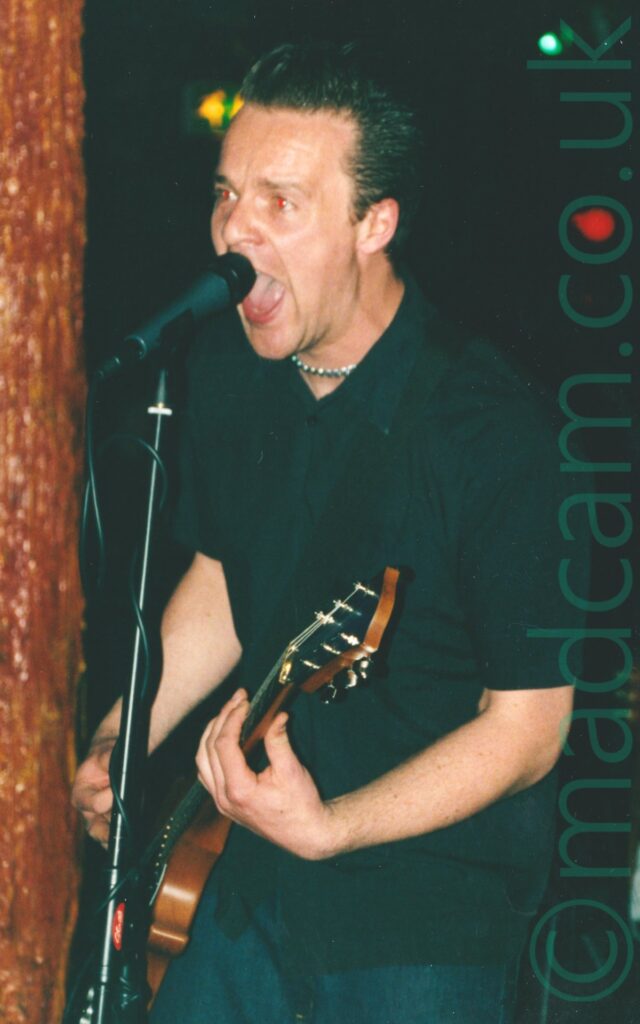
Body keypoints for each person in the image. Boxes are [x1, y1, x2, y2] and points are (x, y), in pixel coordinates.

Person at [72, 41, 589, 1023]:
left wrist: (333, 827)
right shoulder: (228, 372)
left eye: (281, 203)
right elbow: (228, 576)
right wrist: (121, 733)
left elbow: (528, 730)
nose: (236, 234)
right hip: (251, 872)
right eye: (228, 195)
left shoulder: (493, 433)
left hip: (422, 912)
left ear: (373, 223)